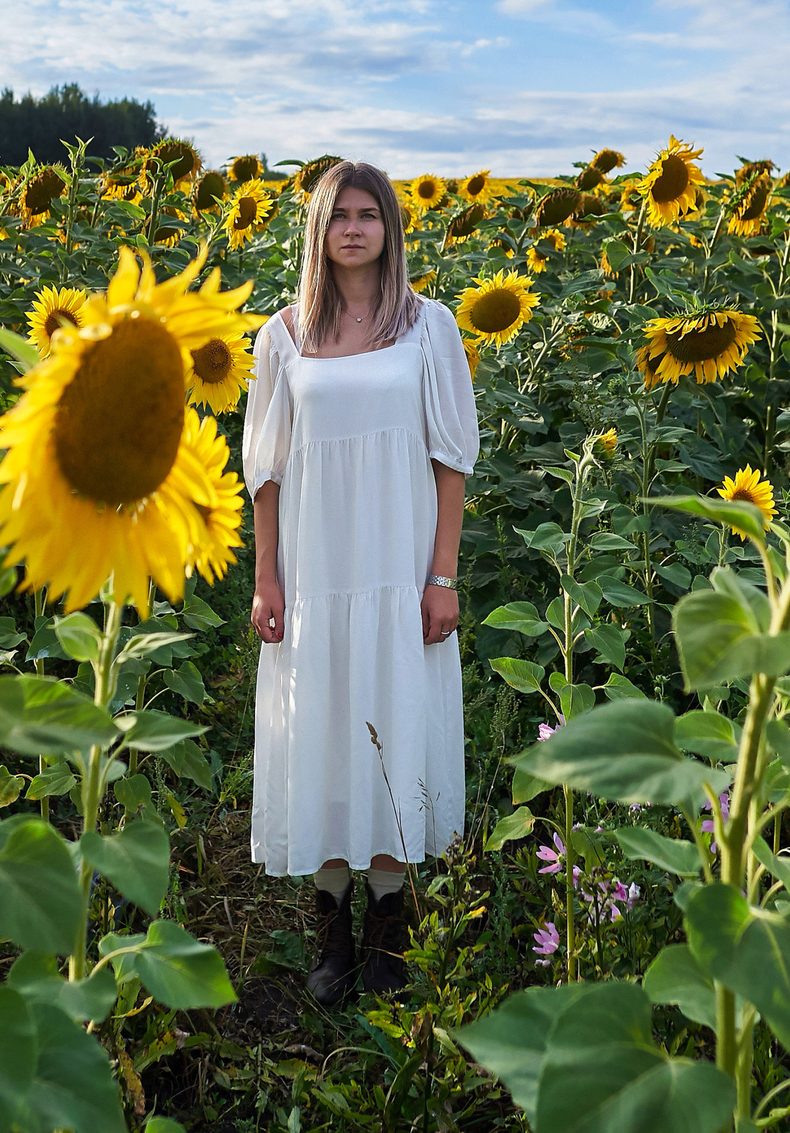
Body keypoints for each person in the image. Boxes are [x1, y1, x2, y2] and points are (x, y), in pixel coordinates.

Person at [241, 159, 477, 1005]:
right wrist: (267, 578)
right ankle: (330, 923)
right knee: (325, 728)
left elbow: (451, 459)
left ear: (390, 228)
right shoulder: (283, 335)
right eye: (337, 213)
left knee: (389, 721)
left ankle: (390, 920)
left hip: (396, 568)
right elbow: (264, 471)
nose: (352, 227)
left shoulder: (428, 327)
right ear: (318, 227)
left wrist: (441, 574)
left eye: (367, 213)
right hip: (315, 573)